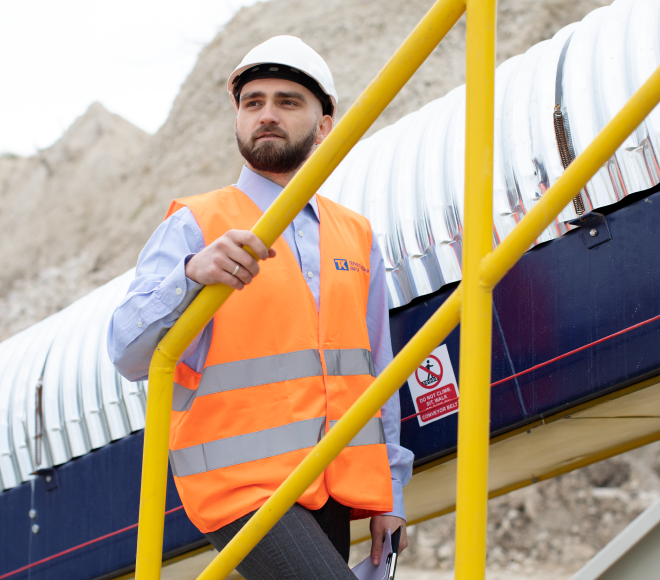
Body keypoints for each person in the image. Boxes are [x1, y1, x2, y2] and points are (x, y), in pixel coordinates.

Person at [108, 35, 414, 580]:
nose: (266, 114)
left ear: (324, 125)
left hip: (333, 481)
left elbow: (375, 370)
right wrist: (188, 276)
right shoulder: (195, 225)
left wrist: (389, 490)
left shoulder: (356, 236)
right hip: (240, 486)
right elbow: (127, 353)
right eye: (253, 103)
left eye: (287, 101)